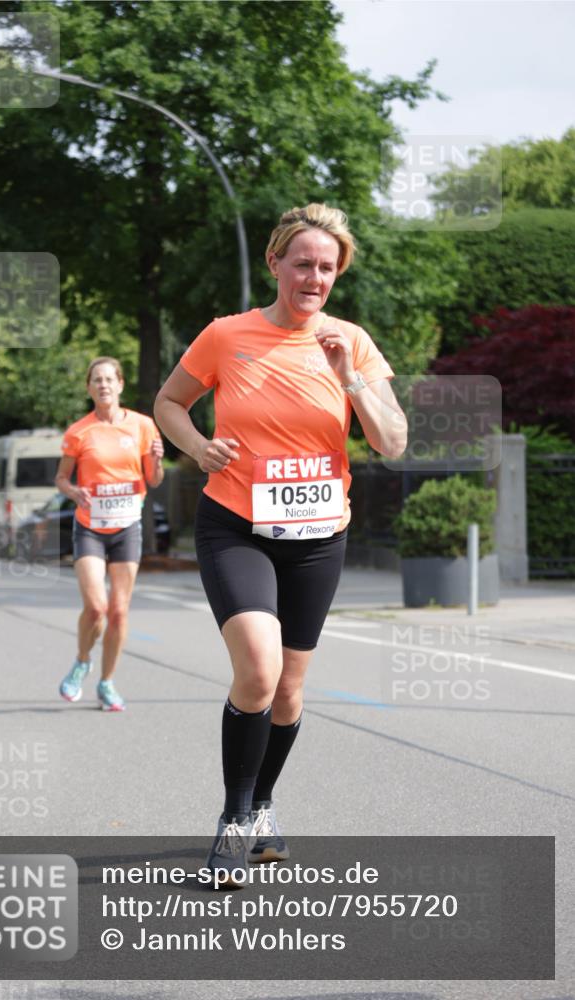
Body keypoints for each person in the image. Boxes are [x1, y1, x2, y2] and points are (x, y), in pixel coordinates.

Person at [154, 203, 407, 885]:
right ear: (275, 264)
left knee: (290, 690)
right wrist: (200, 446)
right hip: (235, 523)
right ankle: (235, 823)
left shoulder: (350, 342)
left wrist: (348, 377)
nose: (314, 277)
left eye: (327, 267)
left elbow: (391, 442)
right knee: (259, 671)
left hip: (319, 535)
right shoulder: (225, 335)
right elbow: (168, 403)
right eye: (302, 263)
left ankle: (264, 804)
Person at [55, 356, 164, 711]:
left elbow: (153, 479)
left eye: (109, 379)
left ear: (120, 385)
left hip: (127, 526)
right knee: (97, 606)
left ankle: (106, 682)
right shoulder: (79, 432)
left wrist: (158, 461)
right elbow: (62, 479)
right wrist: (75, 492)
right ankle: (82, 659)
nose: (103, 385)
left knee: (118, 611)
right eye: (96, 380)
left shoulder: (143, 426)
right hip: (89, 527)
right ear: (89, 388)